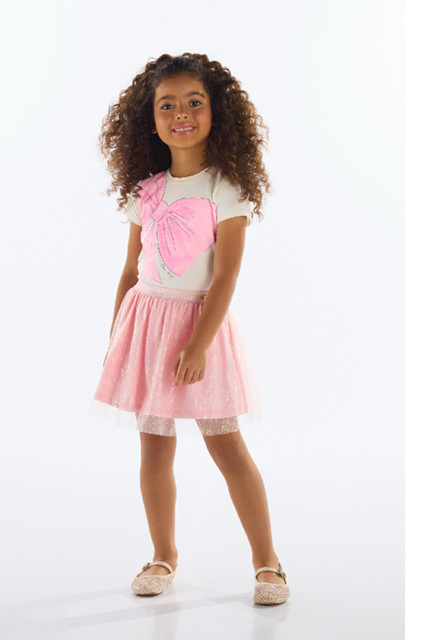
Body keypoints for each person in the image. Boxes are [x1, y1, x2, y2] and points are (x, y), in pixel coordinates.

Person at [88, 53, 290, 606]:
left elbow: (225, 277)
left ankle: (268, 561)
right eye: (167, 105)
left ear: (216, 111)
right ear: (149, 118)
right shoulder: (146, 190)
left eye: (194, 102)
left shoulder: (226, 188)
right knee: (154, 447)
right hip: (146, 328)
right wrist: (116, 339)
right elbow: (131, 272)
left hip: (201, 328)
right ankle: (163, 554)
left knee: (226, 446)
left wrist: (199, 344)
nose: (181, 113)